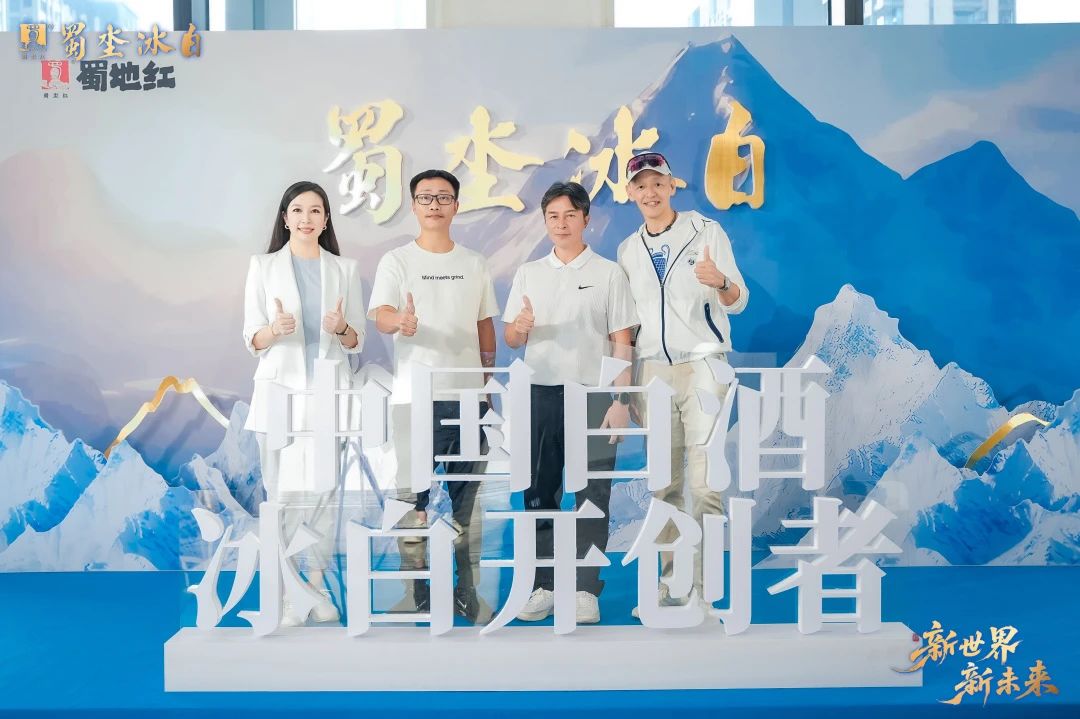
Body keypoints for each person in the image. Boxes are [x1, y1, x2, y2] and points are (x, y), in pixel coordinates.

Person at [615, 152, 749, 611]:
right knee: (664, 484)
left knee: (706, 482)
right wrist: (630, 387)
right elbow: (629, 326)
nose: (650, 193)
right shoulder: (628, 250)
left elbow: (739, 301)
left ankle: (706, 590)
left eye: (658, 183)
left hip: (704, 365)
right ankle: (674, 584)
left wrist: (721, 281)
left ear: (672, 186)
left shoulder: (706, 231)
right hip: (653, 371)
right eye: (641, 186)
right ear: (630, 193)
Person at [367, 169, 499, 622]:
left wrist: (486, 383)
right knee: (410, 501)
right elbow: (382, 315)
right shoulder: (397, 260)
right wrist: (399, 323)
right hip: (413, 398)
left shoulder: (475, 262)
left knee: (467, 502)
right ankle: (415, 590)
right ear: (413, 206)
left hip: (467, 398)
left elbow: (485, 325)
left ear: (456, 206)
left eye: (444, 197)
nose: (435, 205)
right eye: (426, 197)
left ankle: (467, 591)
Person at [503, 181, 637, 625]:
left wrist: (621, 398)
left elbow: (622, 341)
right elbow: (511, 338)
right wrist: (521, 327)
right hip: (540, 395)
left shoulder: (608, 273)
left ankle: (585, 588)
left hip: (593, 396)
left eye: (569, 215)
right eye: (553, 216)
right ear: (545, 221)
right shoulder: (530, 272)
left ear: (586, 220)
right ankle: (542, 585)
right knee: (539, 491)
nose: (561, 224)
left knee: (593, 494)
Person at [242, 180, 366, 626]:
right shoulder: (263, 266)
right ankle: (289, 590)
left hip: (330, 395)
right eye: (298, 210)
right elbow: (252, 339)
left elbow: (356, 342)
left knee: (323, 494)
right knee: (283, 495)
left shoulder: (345, 269)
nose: (306, 218)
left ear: (326, 220)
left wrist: (341, 328)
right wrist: (274, 330)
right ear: (285, 217)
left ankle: (315, 585)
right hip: (280, 395)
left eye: (315, 211)